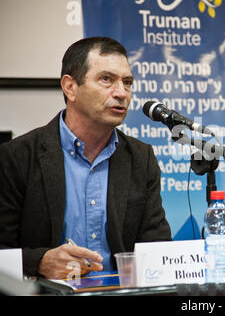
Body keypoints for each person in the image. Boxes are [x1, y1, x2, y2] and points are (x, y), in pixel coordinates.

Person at [0, 37, 171, 278]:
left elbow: (157, 246)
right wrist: (38, 262)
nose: (121, 93)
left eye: (127, 82)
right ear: (70, 87)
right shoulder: (16, 157)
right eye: (106, 79)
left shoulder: (140, 158)